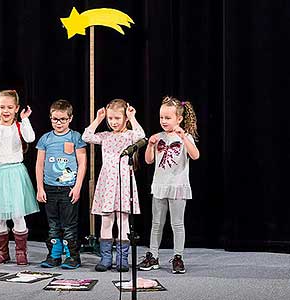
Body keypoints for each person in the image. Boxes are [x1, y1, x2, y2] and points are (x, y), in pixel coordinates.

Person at [82, 99, 146, 272]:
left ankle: (122, 259)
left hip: (124, 181)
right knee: (106, 220)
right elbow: (86, 136)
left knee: (123, 220)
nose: (113, 122)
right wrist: (98, 119)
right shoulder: (106, 136)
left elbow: (141, 136)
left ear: (125, 118)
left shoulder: (130, 135)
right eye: (111, 118)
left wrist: (132, 118)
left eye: (117, 118)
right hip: (107, 182)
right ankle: (106, 258)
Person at [138, 96, 199, 274]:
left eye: (168, 118)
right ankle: (153, 256)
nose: (163, 121)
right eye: (161, 118)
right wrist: (150, 146)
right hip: (160, 185)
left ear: (179, 119)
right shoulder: (158, 137)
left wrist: (184, 138)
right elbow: (148, 161)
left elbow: (195, 156)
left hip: (178, 185)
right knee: (156, 223)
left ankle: (178, 257)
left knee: (177, 224)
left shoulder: (185, 136)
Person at [0, 89, 39, 266]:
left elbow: (31, 137)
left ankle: (21, 251)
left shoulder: (19, 126)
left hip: (15, 173)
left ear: (16, 108)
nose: (6, 111)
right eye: (2, 107)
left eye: (10, 107)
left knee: (18, 214)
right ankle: (2, 252)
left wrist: (25, 119)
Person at [35, 100, 87, 269]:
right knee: (53, 224)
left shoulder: (75, 137)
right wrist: (40, 187)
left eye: (63, 119)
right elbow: (39, 164)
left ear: (70, 119)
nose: (58, 123)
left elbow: (82, 163)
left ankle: (72, 256)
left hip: (69, 189)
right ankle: (54, 255)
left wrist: (78, 186)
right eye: (55, 119)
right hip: (49, 188)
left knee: (69, 225)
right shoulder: (45, 139)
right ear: (50, 118)